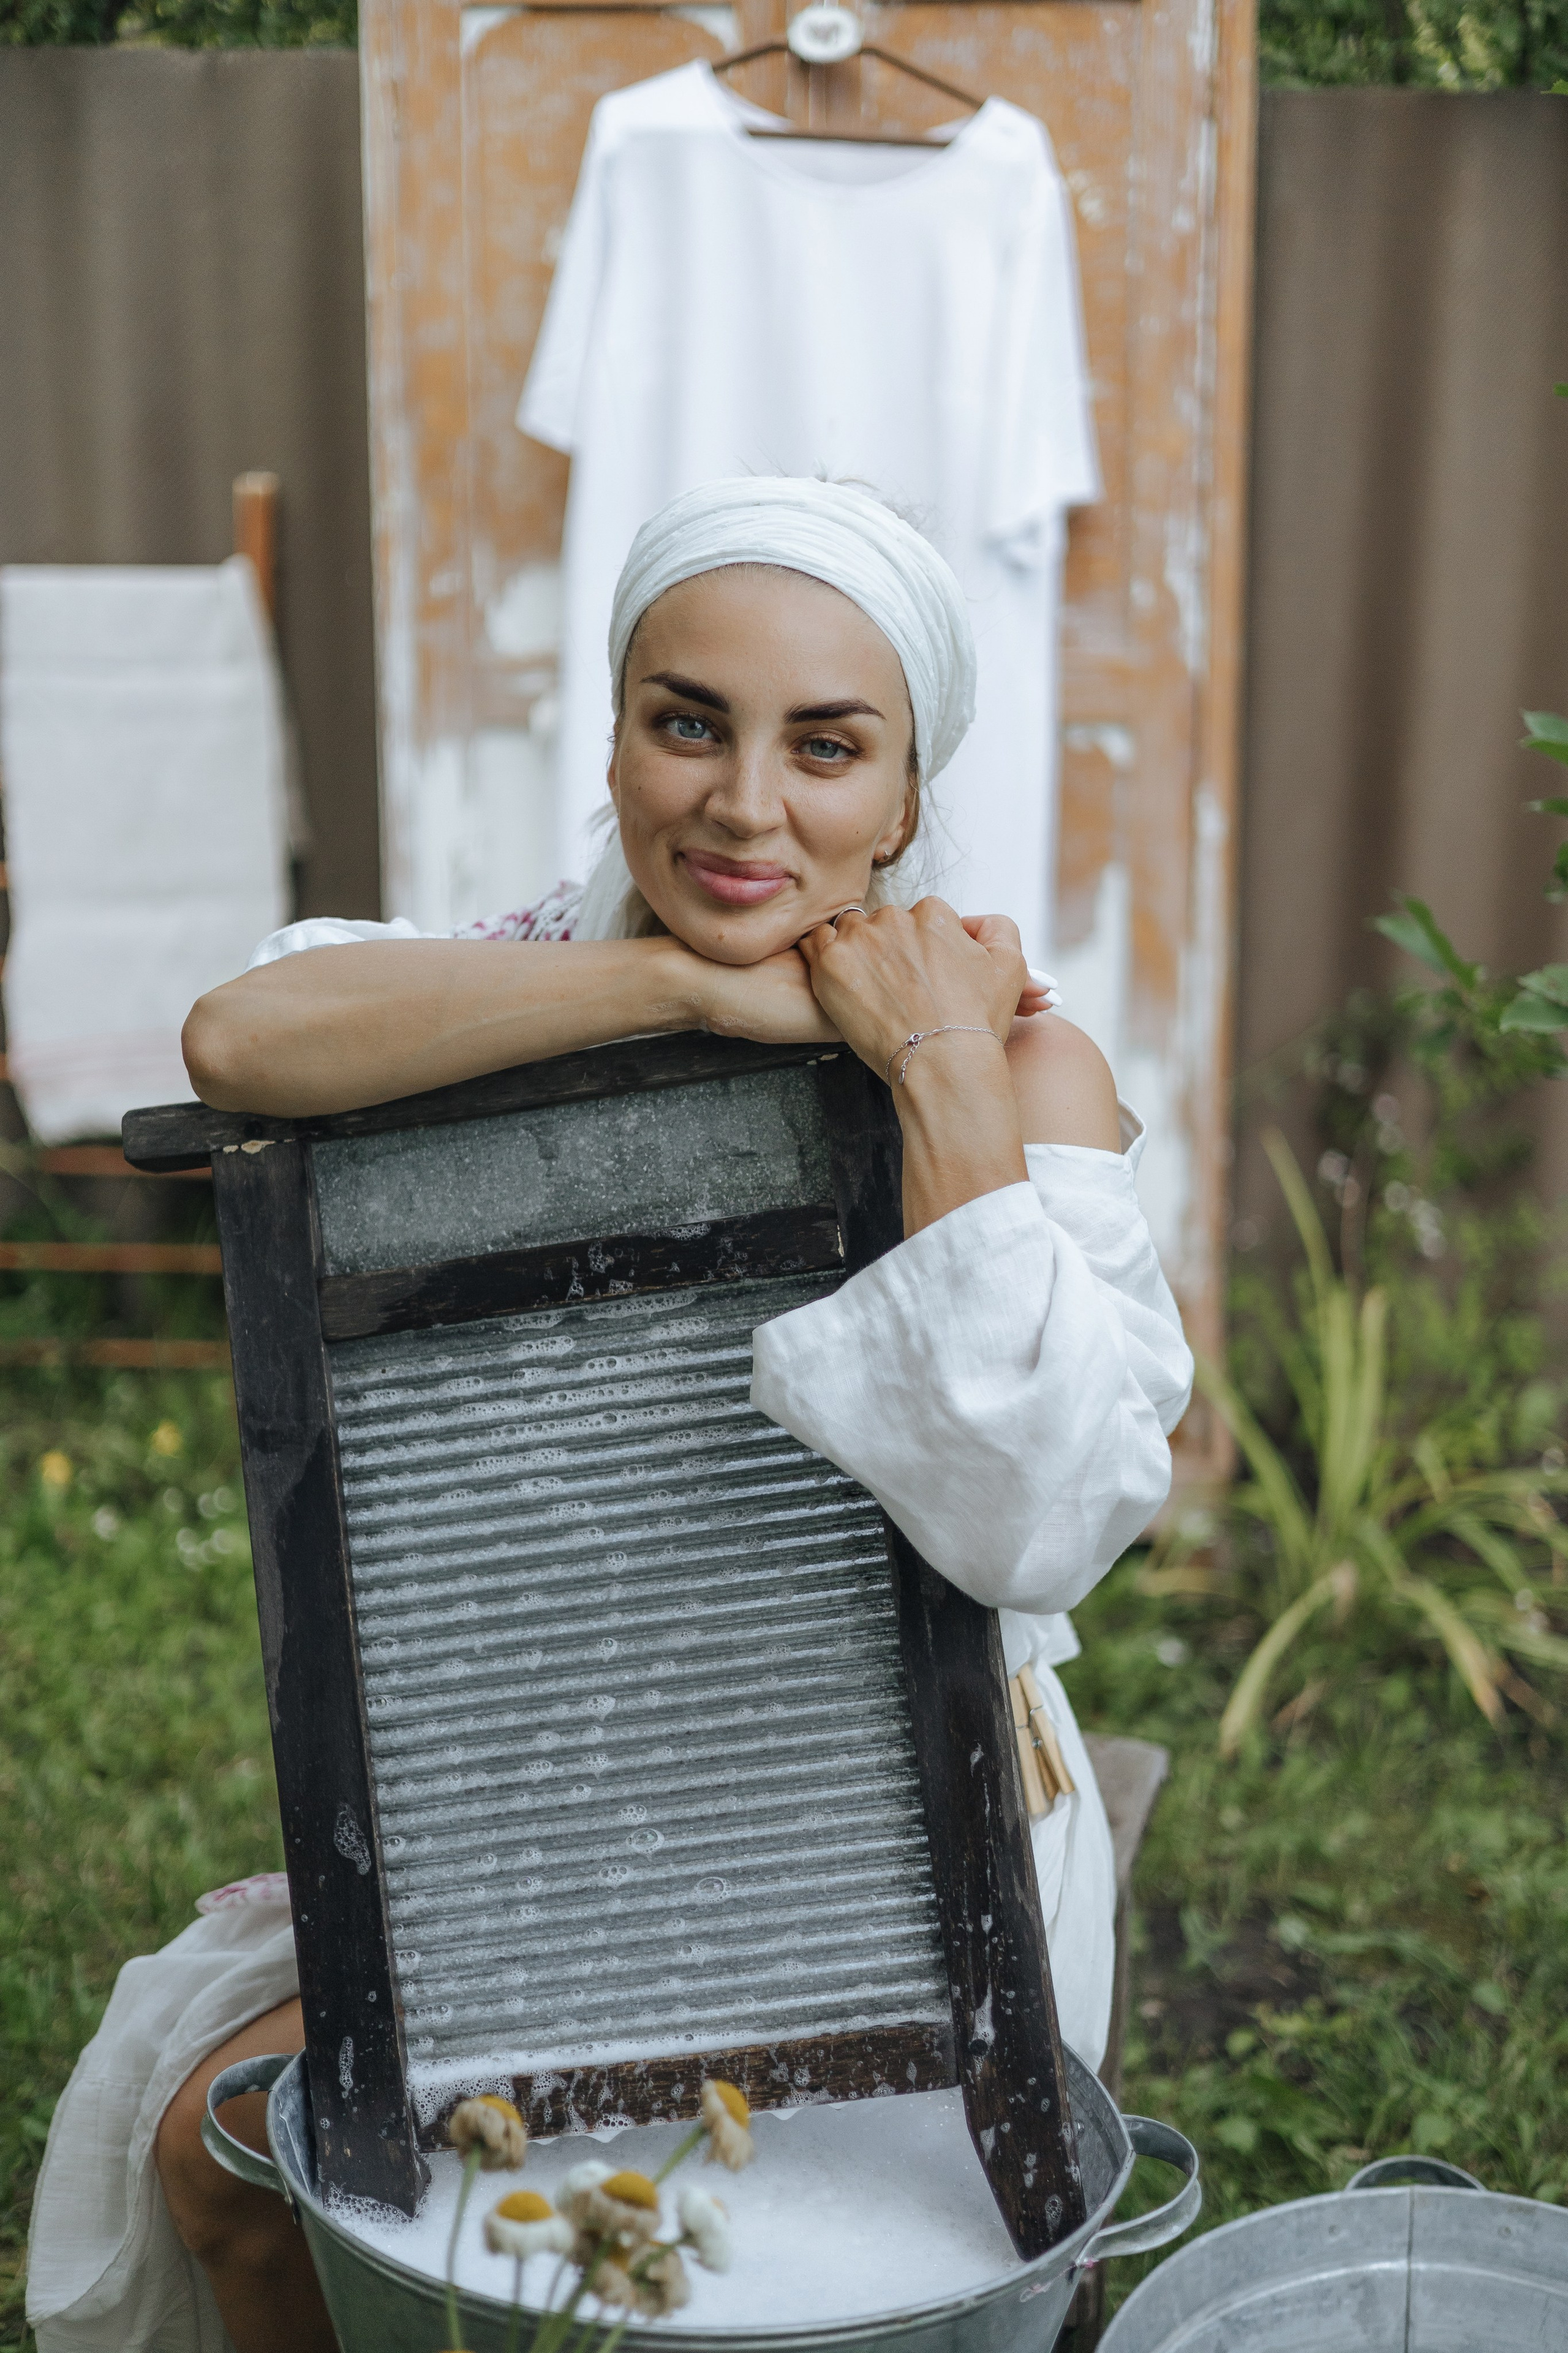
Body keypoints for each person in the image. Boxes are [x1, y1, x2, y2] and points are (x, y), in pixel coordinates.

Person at [27, 477, 1191, 2353]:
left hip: (884, 1840)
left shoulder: (1013, 1052)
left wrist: (931, 1056)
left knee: (782, 2281)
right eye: (688, 723)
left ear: (907, 794)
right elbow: (240, 1040)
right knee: (208, 2157)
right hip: (543, 1795)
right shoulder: (520, 976)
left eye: (826, 746)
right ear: (623, 732)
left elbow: (1038, 1514)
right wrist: (675, 988)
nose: (744, 804)